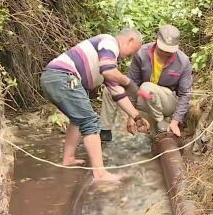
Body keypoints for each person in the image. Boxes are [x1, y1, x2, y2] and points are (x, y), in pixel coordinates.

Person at [40, 29, 150, 182]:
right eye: (134, 51)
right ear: (130, 40)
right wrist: (129, 82)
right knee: (90, 121)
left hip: (55, 78)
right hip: (62, 77)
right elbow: (109, 71)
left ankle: (68, 158)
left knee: (78, 118)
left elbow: (118, 93)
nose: (132, 56)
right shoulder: (109, 42)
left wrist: (136, 117)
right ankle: (100, 174)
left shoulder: (109, 58)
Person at [100, 25, 192, 141]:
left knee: (146, 87)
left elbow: (185, 94)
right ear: (156, 42)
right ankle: (104, 131)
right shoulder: (141, 54)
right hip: (145, 97)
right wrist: (132, 116)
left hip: (166, 102)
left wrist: (175, 121)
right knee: (111, 89)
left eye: (169, 51)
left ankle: (160, 121)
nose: (165, 53)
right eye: (163, 49)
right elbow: (132, 83)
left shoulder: (183, 62)